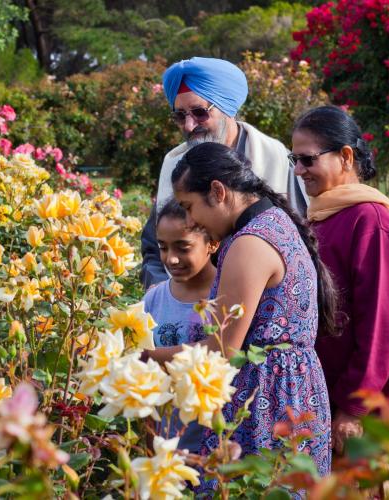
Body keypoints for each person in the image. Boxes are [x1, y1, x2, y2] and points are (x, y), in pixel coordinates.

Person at [144, 142, 336, 476]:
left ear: (218, 192)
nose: (191, 220)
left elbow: (221, 348)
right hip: (293, 392)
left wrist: (144, 358)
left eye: (190, 207)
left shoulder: (250, 243)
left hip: (267, 399)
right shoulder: (273, 223)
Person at [290, 105, 389, 453]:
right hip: (322, 394)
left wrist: (355, 406)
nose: (299, 170)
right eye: (293, 159)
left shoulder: (371, 221)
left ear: (345, 157)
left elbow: (384, 323)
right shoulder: (323, 215)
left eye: (308, 159)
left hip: (361, 407)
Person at [140, 56, 308, 289]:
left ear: (227, 109)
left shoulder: (275, 158)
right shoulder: (175, 164)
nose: (189, 126)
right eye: (180, 116)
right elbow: (153, 248)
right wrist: (161, 293)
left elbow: (305, 238)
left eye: (199, 112)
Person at [142, 199, 219, 453]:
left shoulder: (226, 296)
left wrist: (147, 356)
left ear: (212, 243)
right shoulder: (153, 300)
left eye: (183, 248)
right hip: (166, 442)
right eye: (163, 247)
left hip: (218, 442)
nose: (171, 259)